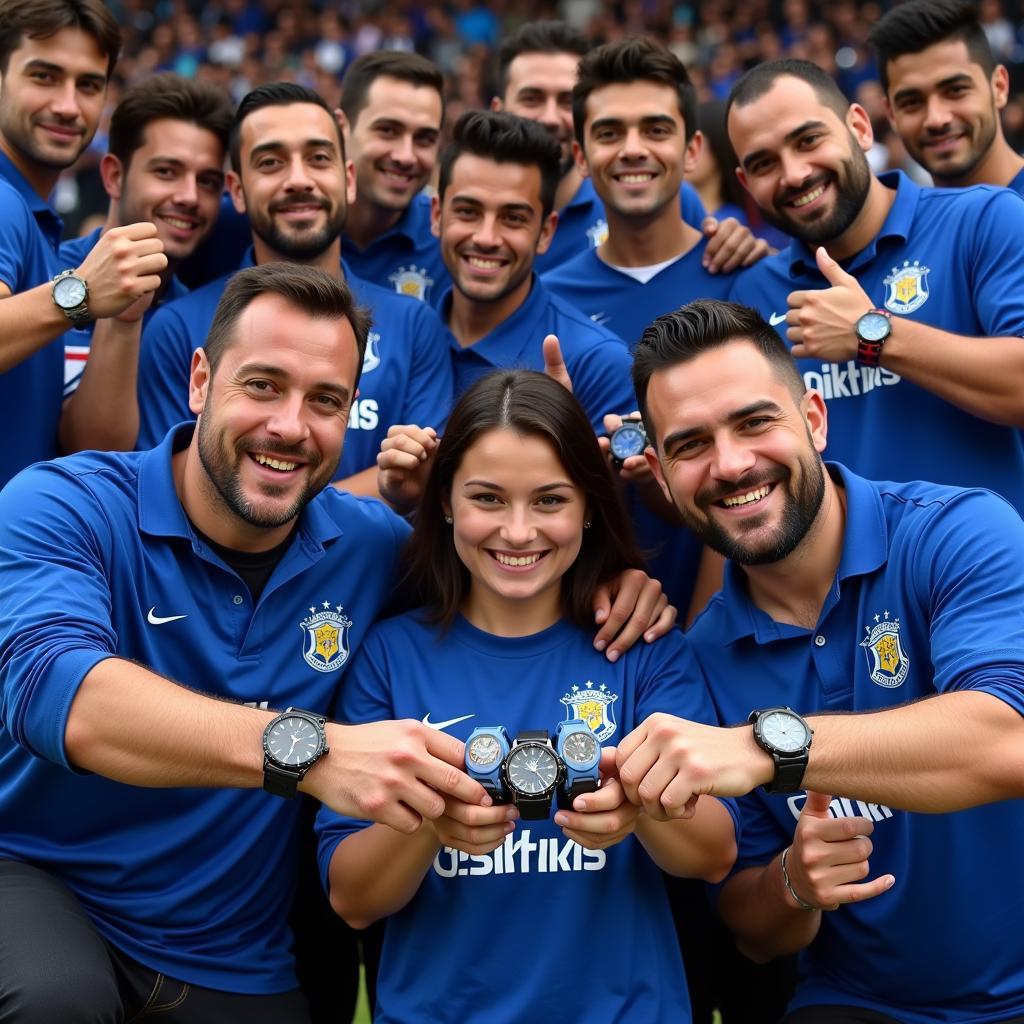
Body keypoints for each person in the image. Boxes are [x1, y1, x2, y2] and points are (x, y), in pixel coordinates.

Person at [0, 263, 485, 1023]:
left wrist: (616, 589)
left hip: (229, 950)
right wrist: (313, 751)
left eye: (326, 400)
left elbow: (507, 599)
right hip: (34, 880)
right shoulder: (63, 505)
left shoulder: (372, 551)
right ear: (200, 381)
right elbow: (67, 701)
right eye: (262, 385)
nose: (291, 426)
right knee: (56, 1001)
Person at [618, 297, 1024, 1024]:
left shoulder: (960, 531)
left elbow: (1008, 741)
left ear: (813, 416)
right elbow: (752, 928)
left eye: (754, 422)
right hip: (866, 1002)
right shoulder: (702, 657)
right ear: (660, 471)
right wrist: (794, 883)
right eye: (690, 445)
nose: (732, 464)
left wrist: (768, 750)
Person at [318, 370, 739, 1024]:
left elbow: (714, 854)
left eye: (549, 501)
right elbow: (353, 896)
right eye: (487, 498)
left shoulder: (644, 649)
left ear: (592, 505)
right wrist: (434, 820)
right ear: (446, 502)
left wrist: (640, 808)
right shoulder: (388, 657)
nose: (518, 532)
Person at [725, 58, 1024, 513]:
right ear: (746, 182)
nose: (795, 173)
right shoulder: (752, 291)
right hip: (845, 584)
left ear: (860, 128)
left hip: (986, 575)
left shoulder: (984, 219)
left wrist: (872, 333)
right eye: (764, 163)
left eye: (808, 140)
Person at [136, 82, 451, 498]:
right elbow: (172, 488)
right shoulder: (176, 327)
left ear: (349, 178)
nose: (299, 180)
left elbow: (424, 482)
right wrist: (375, 486)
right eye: (270, 163)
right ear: (237, 190)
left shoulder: (414, 326)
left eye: (319, 159)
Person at [0, 0, 164, 485]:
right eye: (44, 76)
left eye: (88, 84)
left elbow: (88, 448)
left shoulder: (33, 217)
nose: (68, 105)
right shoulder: (5, 202)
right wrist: (79, 294)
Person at [493, 19, 768, 277]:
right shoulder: (465, 221)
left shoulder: (671, 195)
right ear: (498, 110)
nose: (551, 118)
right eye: (532, 99)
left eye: (566, 100)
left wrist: (744, 250)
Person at [431, 109, 636, 434]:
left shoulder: (596, 363)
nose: (486, 238)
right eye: (468, 211)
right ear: (437, 215)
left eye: (513, 218)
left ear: (545, 232)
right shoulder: (405, 338)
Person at [60, 72, 234, 448]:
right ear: (114, 177)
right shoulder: (41, 275)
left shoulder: (211, 320)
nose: (189, 196)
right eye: (167, 172)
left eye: (207, 181)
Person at [869, 0, 1024, 194]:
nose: (936, 119)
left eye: (955, 91)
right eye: (911, 102)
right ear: (891, 114)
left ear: (999, 87)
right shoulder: (910, 222)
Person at [338, 50, 448, 303]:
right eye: (387, 131)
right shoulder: (286, 225)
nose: (406, 156)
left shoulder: (448, 242)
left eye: (424, 139)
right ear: (342, 128)